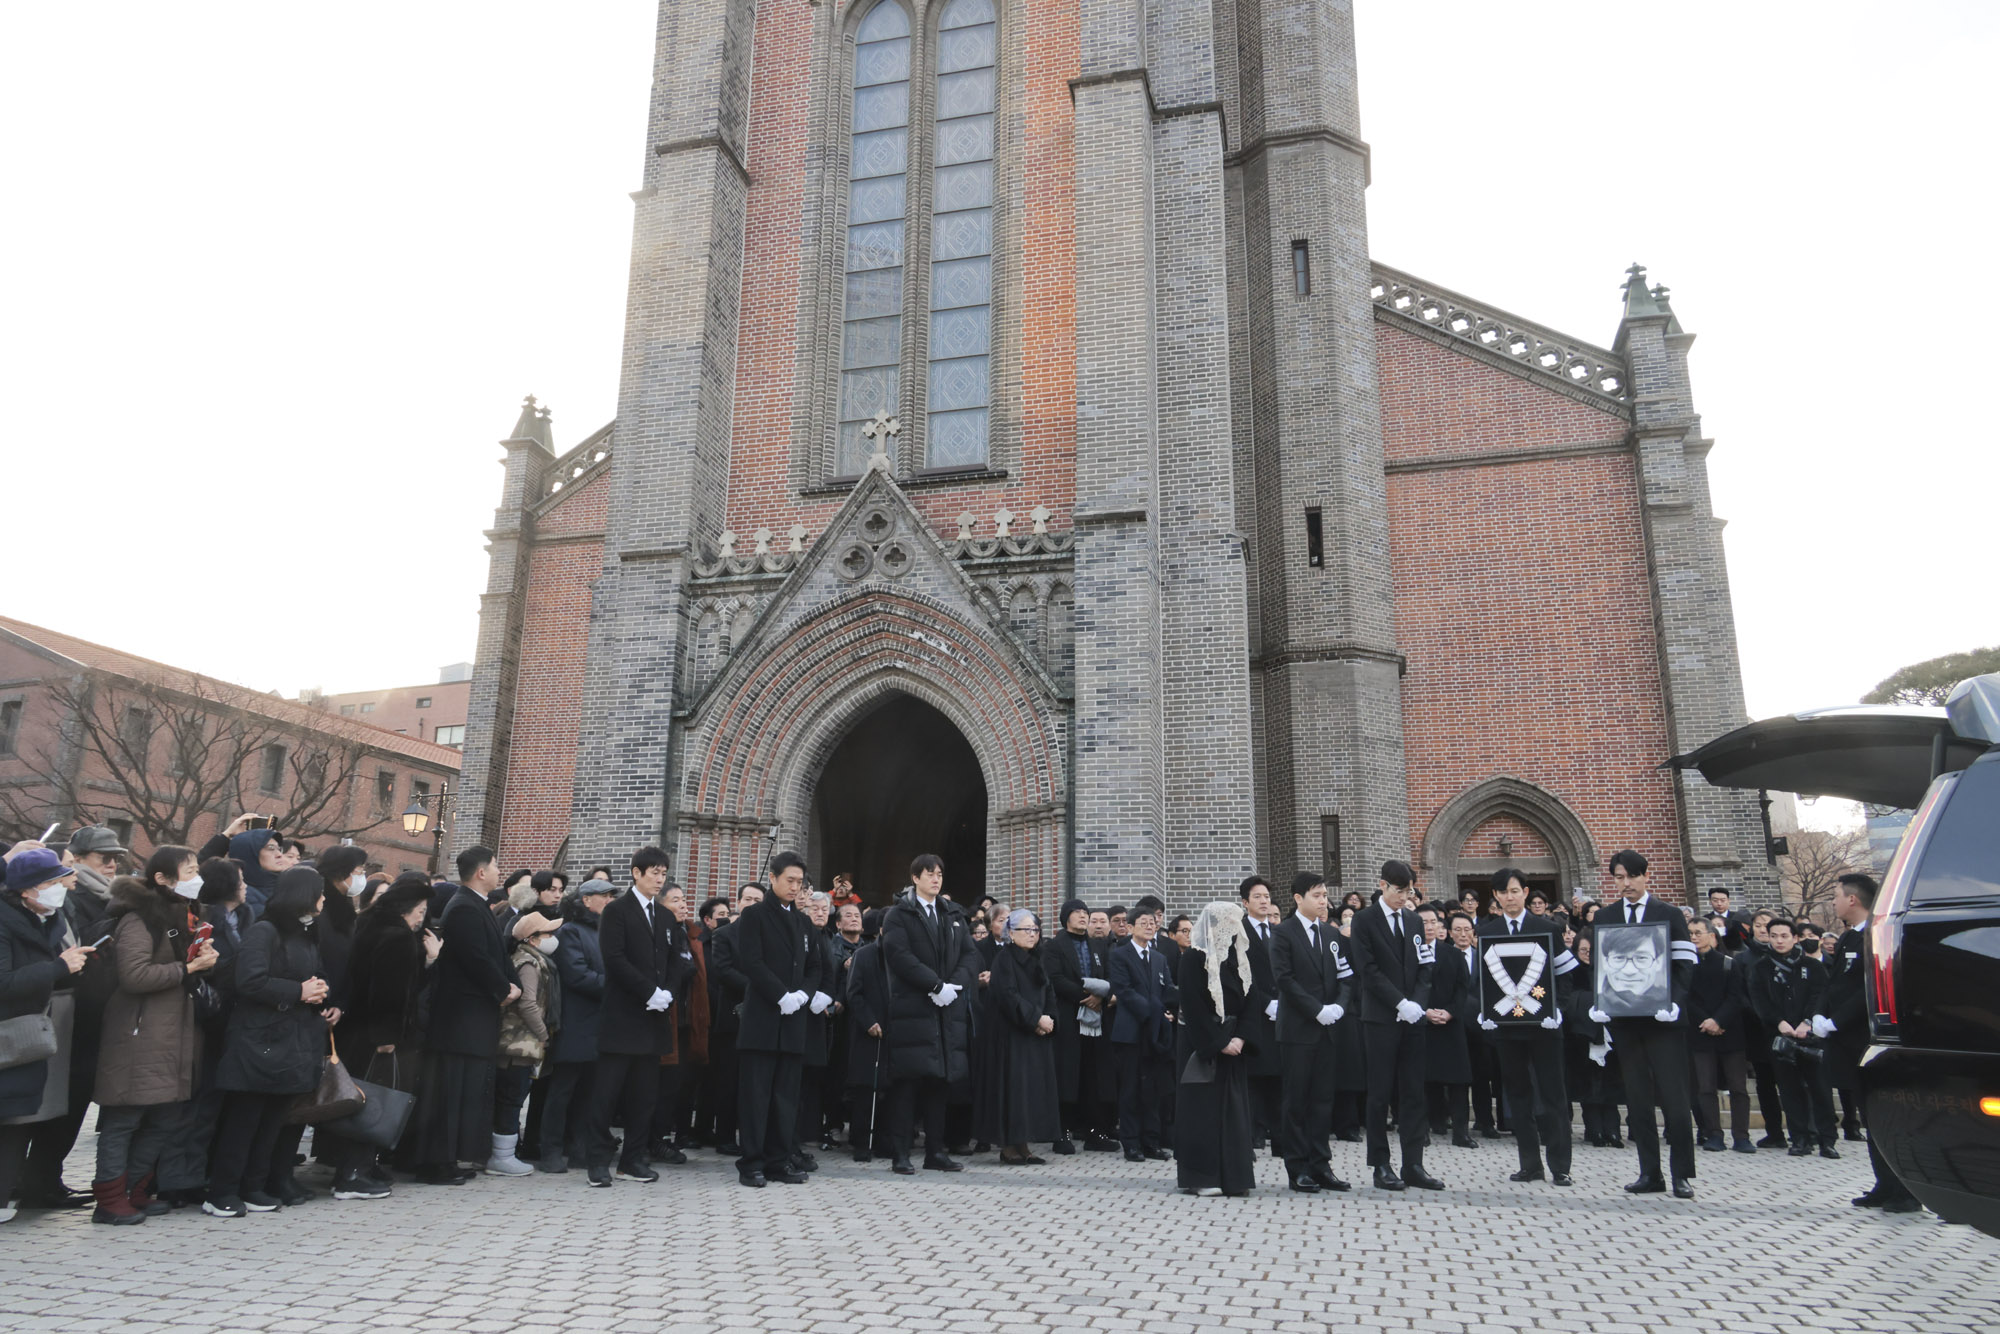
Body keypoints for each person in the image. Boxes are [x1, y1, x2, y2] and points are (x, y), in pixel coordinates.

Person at [89, 851, 218, 1224]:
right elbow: (134, 976)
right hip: (138, 1031)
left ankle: (137, 1190)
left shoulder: (186, 916)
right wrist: (188, 967)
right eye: (190, 871)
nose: (198, 878)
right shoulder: (138, 917)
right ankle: (110, 1199)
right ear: (163, 878)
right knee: (125, 1118)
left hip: (175, 1032)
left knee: (163, 1118)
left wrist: (202, 959)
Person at [206, 866, 332, 1217]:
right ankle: (222, 1190)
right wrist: (298, 991)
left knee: (273, 1120)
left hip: (294, 1039)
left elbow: (315, 972)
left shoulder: (307, 933)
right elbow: (250, 980)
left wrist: (321, 988)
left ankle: (254, 1186)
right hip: (259, 1038)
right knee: (245, 1118)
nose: (323, 900)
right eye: (319, 892)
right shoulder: (265, 930)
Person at [1588, 850, 1698, 1199]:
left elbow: (1685, 964)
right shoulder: (1605, 916)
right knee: (1637, 1100)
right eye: (1619, 878)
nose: (1626, 884)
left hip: (1663, 1022)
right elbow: (1600, 967)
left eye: (1631, 877)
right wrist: (1600, 1003)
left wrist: (1675, 1004)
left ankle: (1681, 1174)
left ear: (1645, 876)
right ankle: (1649, 1172)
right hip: (1625, 1020)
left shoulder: (1668, 914)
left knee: (1675, 1099)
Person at [584, 846, 688, 1188]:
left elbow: (676, 961)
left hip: (654, 1018)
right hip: (622, 1017)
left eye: (663, 873)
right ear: (636, 873)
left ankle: (633, 1160)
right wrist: (648, 991)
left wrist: (668, 992)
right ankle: (598, 1161)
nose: (659, 879)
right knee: (607, 1094)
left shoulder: (667, 916)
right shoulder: (617, 911)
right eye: (653, 872)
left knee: (644, 1097)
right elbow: (614, 959)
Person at [0, 850, 95, 1223]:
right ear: (26, 891)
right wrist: (58, 966)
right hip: (11, 1030)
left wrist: (74, 966)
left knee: (20, 1118)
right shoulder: (6, 921)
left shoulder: (51, 919)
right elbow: (5, 981)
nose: (60, 889)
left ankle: (8, 1192)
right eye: (51, 883)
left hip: (33, 1033)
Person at [414, 846, 518, 1186]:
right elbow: (476, 958)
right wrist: (503, 989)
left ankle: (452, 1157)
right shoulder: (462, 907)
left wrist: (511, 983)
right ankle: (436, 1162)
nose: (499, 871)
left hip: (475, 1018)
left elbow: (498, 954)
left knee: (466, 1092)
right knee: (449, 1093)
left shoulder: (478, 905)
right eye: (496, 866)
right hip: (460, 1019)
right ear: (481, 872)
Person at [1475, 868, 1579, 1188]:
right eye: (1503, 892)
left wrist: (1558, 1010)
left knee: (1553, 1096)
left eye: (1515, 890)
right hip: (1507, 1027)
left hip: (1544, 1025)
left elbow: (1566, 977)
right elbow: (1481, 980)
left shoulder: (1546, 928)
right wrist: (1484, 1011)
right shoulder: (1487, 931)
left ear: (1525, 891)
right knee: (1518, 1097)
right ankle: (1530, 1164)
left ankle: (1560, 1165)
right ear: (1495, 896)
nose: (1510, 897)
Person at [1821, 873, 1918, 1212]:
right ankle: (1885, 1184)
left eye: (1836, 895)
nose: (1833, 902)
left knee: (1885, 1115)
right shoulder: (1849, 939)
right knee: (1869, 1115)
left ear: (1853, 899)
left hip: (1869, 1039)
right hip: (1848, 1043)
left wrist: (1836, 1020)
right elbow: (1835, 986)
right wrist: (1819, 1016)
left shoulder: (1877, 936)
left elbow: (1869, 988)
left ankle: (1906, 1191)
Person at [335, 875, 435, 1196]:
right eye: (420, 910)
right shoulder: (399, 938)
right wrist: (386, 1035)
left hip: (357, 1030)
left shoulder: (371, 926)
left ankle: (363, 1166)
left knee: (365, 1099)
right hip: (378, 1036)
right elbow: (390, 993)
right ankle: (352, 1174)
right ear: (406, 909)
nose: (422, 916)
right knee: (374, 1101)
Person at [879, 853, 977, 1176]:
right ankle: (901, 1154)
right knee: (907, 1087)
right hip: (914, 1010)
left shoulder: (953, 914)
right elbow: (899, 955)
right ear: (915, 878)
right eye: (929, 874)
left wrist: (955, 986)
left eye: (939, 874)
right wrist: (934, 985)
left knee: (940, 1085)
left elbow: (970, 955)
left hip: (946, 1012)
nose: (936, 879)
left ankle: (936, 1152)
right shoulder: (899, 914)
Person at [1346, 860, 1442, 1192]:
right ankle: (1381, 1164)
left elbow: (1425, 965)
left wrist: (1416, 1002)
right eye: (1400, 891)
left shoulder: (1414, 920)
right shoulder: (1364, 920)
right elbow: (1366, 969)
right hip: (1381, 1018)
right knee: (1380, 1093)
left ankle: (1413, 1163)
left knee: (1414, 1092)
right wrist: (1398, 1002)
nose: (1405, 897)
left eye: (1409, 891)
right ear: (1384, 885)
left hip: (1412, 1018)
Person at [733, 853, 823, 1186]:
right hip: (763, 1018)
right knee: (757, 1096)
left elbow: (815, 965)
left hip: (794, 1020)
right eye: (790, 880)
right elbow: (752, 961)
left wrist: (802, 994)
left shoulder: (802, 921)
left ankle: (778, 1159)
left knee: (786, 1097)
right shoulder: (755, 915)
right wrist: (780, 994)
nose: (795, 887)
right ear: (773, 878)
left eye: (800, 882)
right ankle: (752, 1163)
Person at [1269, 871, 1352, 1194]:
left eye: (1324, 895)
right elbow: (1284, 979)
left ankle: (1321, 1164)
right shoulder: (1284, 933)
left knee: (1322, 1100)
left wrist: (1339, 1007)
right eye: (1317, 895)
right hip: (1298, 1030)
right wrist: (1316, 1009)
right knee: (1297, 1101)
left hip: (1329, 1029)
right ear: (1298, 898)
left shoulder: (1331, 935)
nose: (1324, 901)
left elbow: (1346, 975)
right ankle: (1298, 1167)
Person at [1174, 900, 1257, 1197]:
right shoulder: (1194, 959)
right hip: (1203, 1046)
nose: (1235, 930)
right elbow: (1193, 1007)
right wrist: (1218, 1043)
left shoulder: (1237, 960)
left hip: (1234, 1044)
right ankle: (1202, 1176)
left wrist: (1241, 1038)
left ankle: (1234, 1177)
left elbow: (1251, 1000)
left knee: (1233, 1114)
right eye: (1230, 924)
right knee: (1201, 1112)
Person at [975, 911, 1060, 1163]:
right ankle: (1009, 1146)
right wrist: (1035, 1019)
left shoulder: (1038, 958)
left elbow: (1048, 990)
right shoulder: (1004, 959)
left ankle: (1023, 1144)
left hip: (1036, 1034)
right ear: (1010, 933)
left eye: (1035, 929)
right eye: (1026, 930)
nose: (1032, 934)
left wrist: (1050, 1017)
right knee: (1013, 1089)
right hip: (1011, 1035)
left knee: (1030, 1091)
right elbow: (1007, 995)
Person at [539, 878, 612, 1173]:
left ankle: (579, 1148)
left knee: (589, 1091)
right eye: (604, 896)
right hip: (575, 1022)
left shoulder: (603, 932)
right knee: (562, 1090)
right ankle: (551, 1150)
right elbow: (577, 975)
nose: (609, 901)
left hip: (599, 1023)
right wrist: (616, 986)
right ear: (586, 900)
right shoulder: (570, 931)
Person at [1749, 916, 1837, 1159]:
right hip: (1780, 1038)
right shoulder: (1761, 967)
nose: (1779, 941)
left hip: (1810, 1036)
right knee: (1789, 1090)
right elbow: (1759, 999)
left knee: (1820, 1089)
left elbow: (1821, 995)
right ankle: (1799, 1138)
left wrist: (1807, 1021)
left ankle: (1827, 1139)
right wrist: (1779, 1022)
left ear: (1796, 938)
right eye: (1774, 936)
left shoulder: (1812, 966)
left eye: (1785, 936)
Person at [490, 911, 562, 1176]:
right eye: (548, 934)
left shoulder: (530, 959)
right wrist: (544, 1035)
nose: (553, 939)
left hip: (518, 1042)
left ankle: (501, 1153)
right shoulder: (529, 964)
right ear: (532, 939)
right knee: (511, 1100)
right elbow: (528, 1004)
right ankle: (502, 1157)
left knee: (510, 1098)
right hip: (517, 1043)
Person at [1108, 907, 1178, 1164]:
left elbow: (1167, 988)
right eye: (1144, 922)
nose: (1150, 926)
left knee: (1153, 1090)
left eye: (1153, 923)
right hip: (1131, 1032)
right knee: (1130, 1090)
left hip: (1156, 1033)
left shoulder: (1159, 958)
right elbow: (1124, 991)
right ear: (1131, 926)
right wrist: (1155, 1013)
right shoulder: (1119, 955)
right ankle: (1131, 1144)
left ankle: (1151, 1142)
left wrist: (1171, 1010)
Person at [1684, 917, 1753, 1154]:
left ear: (1711, 936)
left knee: (1738, 1087)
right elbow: (1686, 998)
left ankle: (1741, 1136)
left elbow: (1736, 997)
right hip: (1700, 1032)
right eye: (1690, 933)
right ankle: (1713, 1133)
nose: (1694, 937)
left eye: (1698, 932)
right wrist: (1706, 1021)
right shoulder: (1685, 966)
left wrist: (1718, 1020)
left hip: (1729, 1031)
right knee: (1705, 1087)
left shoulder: (1728, 963)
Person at [1234, 877, 1284, 1154]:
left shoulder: (1278, 933)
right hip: (1253, 1012)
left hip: (1282, 1014)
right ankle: (1253, 1135)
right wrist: (1265, 1002)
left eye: (1267, 896)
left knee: (1279, 1077)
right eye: (1257, 897)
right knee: (1252, 1078)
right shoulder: (1237, 933)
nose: (1264, 901)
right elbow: (1241, 976)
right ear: (1245, 902)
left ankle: (1280, 1136)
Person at [1422, 907, 1476, 1149]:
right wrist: (1425, 1012)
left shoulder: (1453, 955)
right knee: (1422, 1081)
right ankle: (1423, 1130)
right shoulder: (1409, 954)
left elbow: (1462, 989)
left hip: (1451, 1024)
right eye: (1424, 922)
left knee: (1458, 1081)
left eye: (1434, 922)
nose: (1430, 927)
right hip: (1422, 1024)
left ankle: (1461, 1133)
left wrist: (1450, 1012)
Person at [843, 908, 892, 1162]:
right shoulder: (864, 955)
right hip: (868, 1030)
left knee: (891, 1089)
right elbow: (854, 993)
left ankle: (885, 1140)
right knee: (866, 1089)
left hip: (896, 1032)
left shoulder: (905, 957)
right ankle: (862, 1142)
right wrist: (869, 1021)